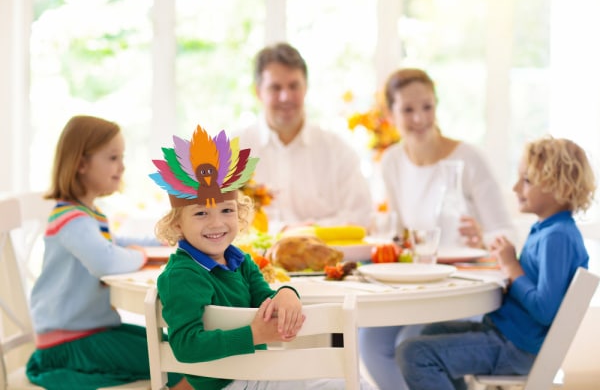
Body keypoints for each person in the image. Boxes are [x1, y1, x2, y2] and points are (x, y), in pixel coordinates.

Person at [150, 124, 375, 390]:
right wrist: (254, 334)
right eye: (201, 214)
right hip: (227, 383)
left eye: (226, 211)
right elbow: (186, 346)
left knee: (353, 381)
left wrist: (287, 293)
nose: (216, 223)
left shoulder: (241, 261)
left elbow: (264, 298)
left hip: (256, 371)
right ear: (177, 225)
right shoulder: (182, 275)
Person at [359, 68, 518, 390]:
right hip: (417, 287)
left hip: (466, 289)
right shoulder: (391, 161)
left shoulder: (469, 158)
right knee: (370, 343)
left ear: (436, 106)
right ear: (391, 114)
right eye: (408, 109)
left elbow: (507, 232)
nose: (419, 118)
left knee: (409, 342)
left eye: (427, 107)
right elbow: (398, 232)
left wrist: (484, 237)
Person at [396, 136, 596, 390]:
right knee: (428, 332)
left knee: (413, 353)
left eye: (526, 180)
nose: (515, 188)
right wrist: (504, 262)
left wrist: (512, 267)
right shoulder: (549, 230)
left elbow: (545, 310)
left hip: (515, 347)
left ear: (560, 188)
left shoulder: (556, 237)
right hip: (508, 336)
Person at [26, 115, 189, 390]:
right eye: (113, 157)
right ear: (81, 163)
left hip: (90, 334)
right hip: (72, 343)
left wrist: (169, 240)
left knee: (176, 348)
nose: (122, 166)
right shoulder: (71, 219)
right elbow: (107, 260)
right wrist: (143, 254)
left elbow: (118, 243)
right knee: (178, 361)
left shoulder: (87, 215)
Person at [235, 42, 373, 229]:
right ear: (258, 92)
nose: (286, 97)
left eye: (294, 86)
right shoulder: (233, 151)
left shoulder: (338, 151)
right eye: (275, 88)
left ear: (306, 87)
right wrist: (282, 230)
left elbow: (361, 216)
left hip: (327, 255)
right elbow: (217, 219)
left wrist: (309, 231)